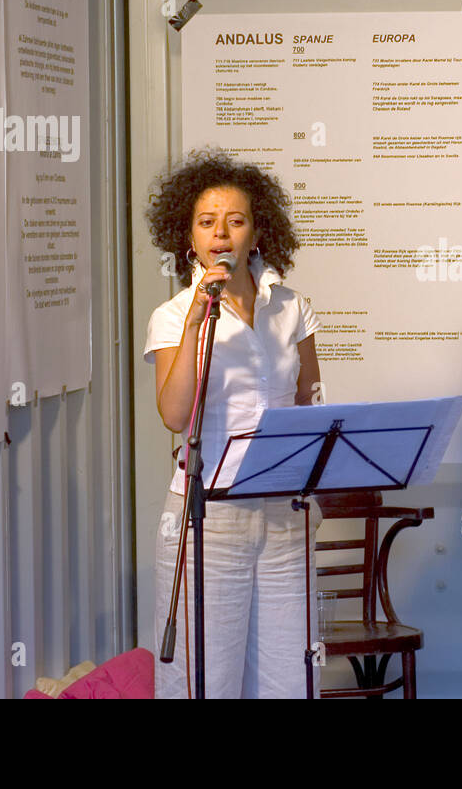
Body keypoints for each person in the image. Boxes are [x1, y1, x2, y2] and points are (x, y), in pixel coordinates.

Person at [143, 150, 323, 699]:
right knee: (203, 683)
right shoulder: (174, 315)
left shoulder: (291, 308)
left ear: (257, 231)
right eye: (206, 222)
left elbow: (311, 405)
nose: (221, 233)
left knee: (291, 680)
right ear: (189, 238)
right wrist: (199, 319)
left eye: (235, 220)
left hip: (287, 515)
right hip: (207, 518)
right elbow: (176, 416)